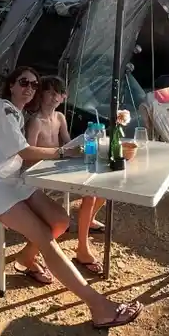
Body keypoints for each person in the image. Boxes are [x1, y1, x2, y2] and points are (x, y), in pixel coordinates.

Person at [0, 66, 142, 329]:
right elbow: (25, 152)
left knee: (60, 220)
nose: (29, 88)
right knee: (46, 238)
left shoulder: (17, 115)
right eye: (24, 82)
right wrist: (64, 153)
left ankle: (26, 260)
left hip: (12, 180)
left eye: (35, 85)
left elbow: (20, 157)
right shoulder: (2, 111)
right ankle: (99, 307)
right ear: (11, 85)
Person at [26, 77, 106, 276]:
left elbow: (68, 143)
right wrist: (62, 155)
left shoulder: (60, 117)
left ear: (63, 97)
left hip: (60, 166)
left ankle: (88, 222)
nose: (54, 97)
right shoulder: (36, 121)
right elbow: (28, 155)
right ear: (41, 94)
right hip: (42, 172)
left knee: (101, 189)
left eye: (58, 93)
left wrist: (78, 148)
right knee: (90, 194)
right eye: (50, 92)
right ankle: (83, 248)